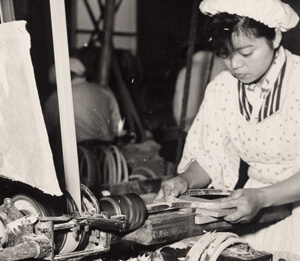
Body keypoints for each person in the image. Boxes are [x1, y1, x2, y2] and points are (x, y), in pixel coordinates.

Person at [156, 0, 300, 259]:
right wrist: (185, 180)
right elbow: (210, 157)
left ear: (276, 37)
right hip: (257, 209)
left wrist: (262, 198)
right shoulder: (222, 88)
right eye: (224, 53)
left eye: (245, 53)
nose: (235, 65)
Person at [43, 57, 122, 144]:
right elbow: (117, 126)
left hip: (78, 153)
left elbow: (49, 130)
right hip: (106, 152)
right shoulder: (105, 91)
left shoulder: (55, 98)